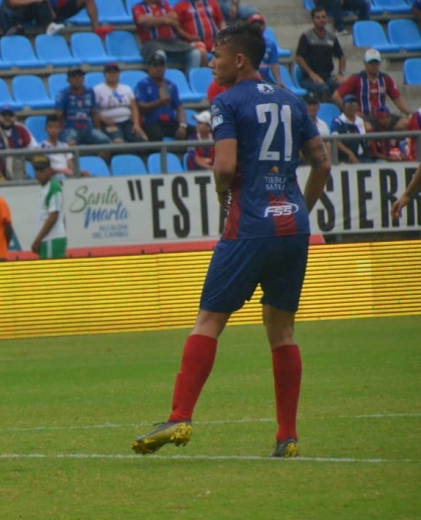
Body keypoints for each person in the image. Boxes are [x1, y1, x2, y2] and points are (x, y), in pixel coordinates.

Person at [131, 23, 331, 459]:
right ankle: (287, 436)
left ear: (239, 60)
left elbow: (224, 168)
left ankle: (180, 415)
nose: (210, 62)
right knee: (282, 331)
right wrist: (300, 210)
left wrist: (224, 198)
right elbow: (322, 163)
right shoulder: (292, 100)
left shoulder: (226, 102)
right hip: (292, 228)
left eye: (216, 56)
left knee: (208, 321)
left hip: (249, 226)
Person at [332, 49, 411, 124]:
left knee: (405, 123)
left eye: (376, 63)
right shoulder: (356, 79)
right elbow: (336, 96)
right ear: (365, 63)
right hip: (364, 116)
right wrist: (351, 112)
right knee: (367, 127)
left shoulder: (386, 79)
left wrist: (408, 113)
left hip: (382, 115)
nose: (374, 65)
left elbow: (398, 99)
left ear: (379, 63)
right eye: (371, 63)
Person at [132, 0, 202, 74]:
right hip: (150, 43)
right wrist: (164, 20)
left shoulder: (165, 4)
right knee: (159, 55)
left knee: (194, 53)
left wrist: (154, 20)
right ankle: (163, 78)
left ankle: (189, 78)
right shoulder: (138, 7)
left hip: (170, 42)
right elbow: (142, 20)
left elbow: (174, 16)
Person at [135, 51, 191, 142]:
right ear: (149, 68)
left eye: (161, 66)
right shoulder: (143, 85)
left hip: (169, 122)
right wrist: (159, 103)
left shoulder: (170, 85)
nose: (159, 69)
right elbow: (140, 107)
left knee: (192, 130)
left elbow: (179, 108)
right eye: (155, 66)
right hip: (151, 123)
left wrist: (182, 125)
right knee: (156, 134)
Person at [295, 7, 345, 102]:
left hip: (327, 76)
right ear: (313, 20)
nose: (321, 20)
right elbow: (298, 57)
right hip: (308, 78)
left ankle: (339, 110)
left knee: (341, 87)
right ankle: (323, 110)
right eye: (318, 17)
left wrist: (341, 74)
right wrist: (312, 74)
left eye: (323, 17)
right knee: (323, 89)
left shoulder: (332, 37)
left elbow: (341, 57)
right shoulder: (306, 36)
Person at [55, 67, 113, 148]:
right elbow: (58, 115)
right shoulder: (63, 94)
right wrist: (60, 131)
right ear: (68, 80)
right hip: (70, 128)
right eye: (74, 77)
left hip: (87, 128)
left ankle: (100, 157)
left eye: (80, 76)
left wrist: (98, 129)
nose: (77, 79)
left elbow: (94, 113)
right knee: (70, 144)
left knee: (105, 141)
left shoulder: (90, 92)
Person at [94, 62, 148, 144]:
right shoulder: (97, 90)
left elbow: (133, 108)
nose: (112, 75)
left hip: (126, 122)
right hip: (109, 123)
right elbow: (94, 111)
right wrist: (104, 120)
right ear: (105, 75)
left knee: (143, 140)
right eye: (109, 72)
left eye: (115, 72)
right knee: (118, 141)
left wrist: (136, 124)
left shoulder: (126, 88)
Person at [0, 104, 38, 182]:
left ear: (15, 117)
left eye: (10, 115)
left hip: (18, 173)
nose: (7, 118)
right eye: (4, 115)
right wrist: (1, 179)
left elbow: (35, 149)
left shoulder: (21, 129)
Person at [29, 155, 67, 260]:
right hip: (49, 239)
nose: (38, 173)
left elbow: (53, 216)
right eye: (36, 170)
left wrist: (38, 240)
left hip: (52, 239)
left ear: (50, 170)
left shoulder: (53, 187)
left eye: (41, 170)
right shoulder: (46, 187)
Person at [331, 94, 371, 164]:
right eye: (349, 104)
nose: (352, 107)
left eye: (354, 104)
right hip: (344, 158)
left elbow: (366, 140)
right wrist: (349, 152)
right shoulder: (338, 121)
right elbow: (335, 140)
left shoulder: (361, 120)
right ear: (343, 107)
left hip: (363, 158)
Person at [248, 14, 284, 88]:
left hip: (265, 78)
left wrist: (278, 81)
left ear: (264, 27)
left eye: (260, 24)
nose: (257, 27)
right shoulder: (244, 44)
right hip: (248, 79)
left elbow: (274, 64)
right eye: (254, 25)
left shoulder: (271, 45)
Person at [304, 92, 332, 157]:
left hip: (323, 158)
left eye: (314, 104)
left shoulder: (323, 124)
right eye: (309, 104)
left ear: (318, 106)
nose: (312, 107)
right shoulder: (300, 124)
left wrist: (327, 159)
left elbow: (328, 144)